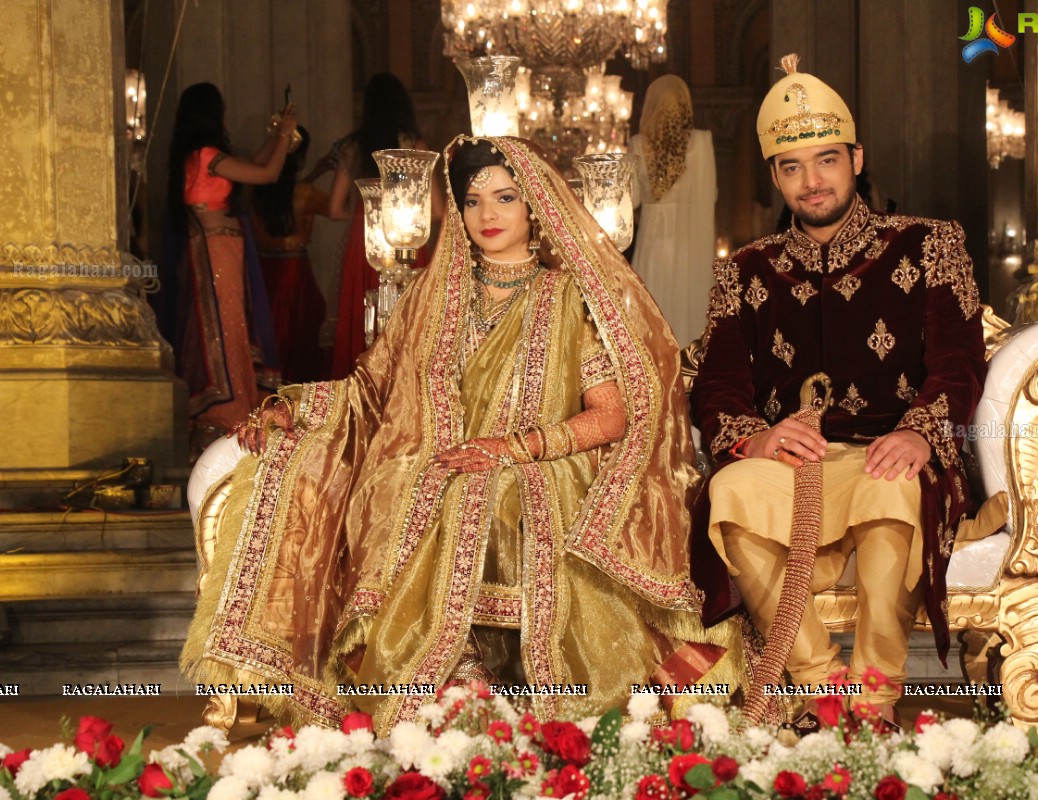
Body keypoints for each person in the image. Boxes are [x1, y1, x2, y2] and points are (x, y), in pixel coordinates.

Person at [182, 135, 746, 732]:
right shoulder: (433, 298)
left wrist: (513, 448)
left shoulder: (568, 298)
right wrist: (294, 410)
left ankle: (532, 676)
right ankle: (454, 667)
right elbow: (373, 388)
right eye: (472, 201)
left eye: (504, 198)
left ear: (534, 205)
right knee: (418, 483)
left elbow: (610, 415)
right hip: (442, 458)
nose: (488, 215)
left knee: (494, 493)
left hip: (545, 460)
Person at [691, 56, 987, 722]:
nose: (811, 181)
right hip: (797, 465)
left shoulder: (926, 244)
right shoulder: (746, 269)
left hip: (892, 451)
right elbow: (718, 383)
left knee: (892, 489)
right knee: (730, 491)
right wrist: (756, 436)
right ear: (774, 175)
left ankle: (873, 701)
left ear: (856, 157)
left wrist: (920, 431)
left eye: (826, 160)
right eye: (791, 167)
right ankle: (825, 693)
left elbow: (959, 359)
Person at [166, 82, 294, 446]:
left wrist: (274, 136)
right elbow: (267, 174)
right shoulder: (206, 154)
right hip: (215, 248)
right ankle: (230, 409)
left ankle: (237, 405)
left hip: (222, 247)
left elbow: (253, 165)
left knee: (231, 325)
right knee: (225, 327)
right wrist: (284, 135)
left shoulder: (202, 156)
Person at [327, 73, 440, 379]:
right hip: (408, 238)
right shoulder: (413, 144)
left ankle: (361, 388)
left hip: (365, 240)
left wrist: (367, 211)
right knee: (409, 316)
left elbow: (334, 208)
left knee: (364, 314)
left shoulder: (353, 145)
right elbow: (438, 207)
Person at [629, 75, 717, 345]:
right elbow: (710, 195)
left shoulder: (637, 144)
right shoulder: (702, 142)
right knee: (687, 301)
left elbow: (631, 200)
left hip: (653, 239)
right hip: (691, 241)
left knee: (654, 302)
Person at [251, 126, 330, 383]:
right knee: (298, 327)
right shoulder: (306, 193)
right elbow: (339, 208)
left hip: (262, 267)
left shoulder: (257, 191)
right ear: (302, 158)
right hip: (294, 270)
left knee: (267, 327)